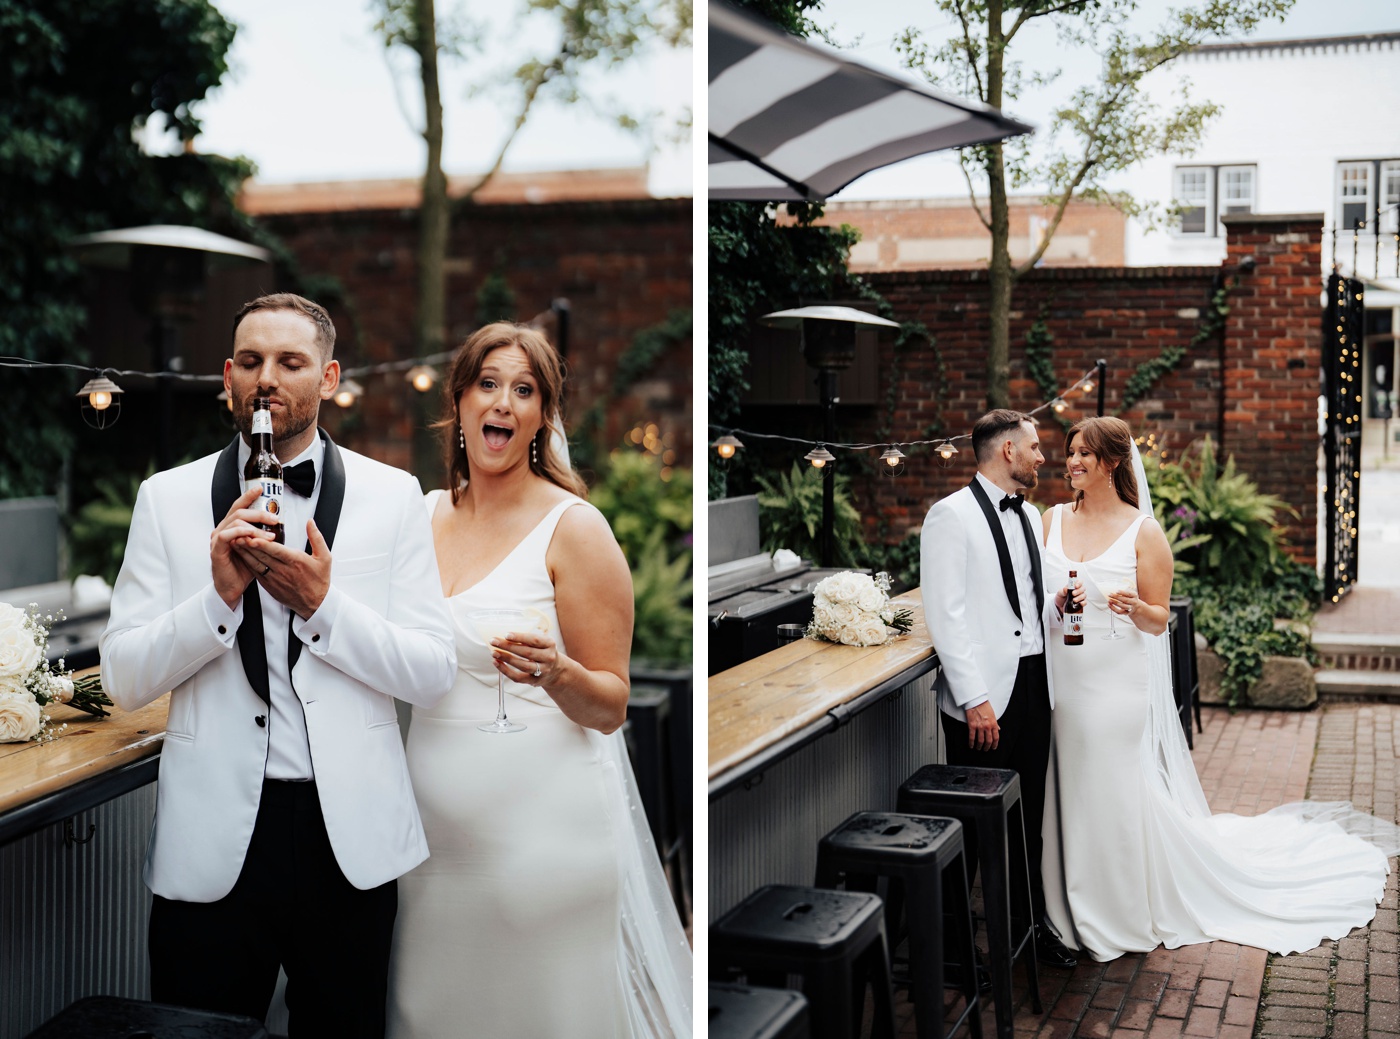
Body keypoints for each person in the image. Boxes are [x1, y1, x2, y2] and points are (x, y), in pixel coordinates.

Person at [100, 293, 458, 1035]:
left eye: (290, 362)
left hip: (347, 841)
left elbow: (432, 671)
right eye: (253, 362)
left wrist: (324, 608)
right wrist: (217, 599)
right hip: (213, 841)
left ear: (328, 379)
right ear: (228, 377)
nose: (269, 378)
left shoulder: (395, 500)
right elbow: (124, 678)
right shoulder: (164, 500)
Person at [386, 323, 692, 1038]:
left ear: (543, 417)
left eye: (524, 390)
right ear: (459, 402)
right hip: (428, 845)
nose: (503, 402)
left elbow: (612, 703)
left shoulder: (575, 528)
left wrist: (557, 673)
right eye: (488, 383)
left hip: (543, 844)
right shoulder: (420, 515)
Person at [1040, 415, 1400, 961]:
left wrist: (1135, 607)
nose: (1072, 462)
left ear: (1112, 462)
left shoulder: (1144, 531)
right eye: (1070, 452)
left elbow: (1160, 620)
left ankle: (1111, 909)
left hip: (1116, 683)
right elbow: (1035, 595)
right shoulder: (1049, 521)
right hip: (1062, 675)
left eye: (1084, 454)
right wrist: (1058, 606)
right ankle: (1062, 901)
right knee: (1065, 781)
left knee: (1107, 786)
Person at [919, 408, 1078, 971]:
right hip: (983, 698)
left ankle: (1027, 936)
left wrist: (1055, 606)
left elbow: (1024, 602)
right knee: (966, 831)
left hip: (1036, 685)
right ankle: (960, 954)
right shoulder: (949, 516)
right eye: (1034, 446)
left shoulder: (1031, 516)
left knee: (1025, 820)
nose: (1042, 456)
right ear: (1007, 450)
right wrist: (973, 698)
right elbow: (946, 613)